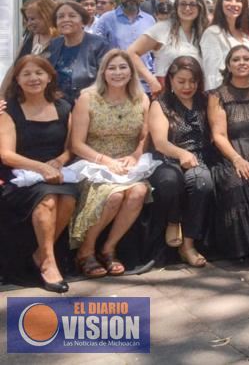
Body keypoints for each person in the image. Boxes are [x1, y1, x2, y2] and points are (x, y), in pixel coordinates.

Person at [68, 50, 152, 278]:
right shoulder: (88, 98)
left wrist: (135, 155)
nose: (117, 73)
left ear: (131, 72)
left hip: (128, 164)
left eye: (122, 68)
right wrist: (105, 161)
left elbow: (145, 136)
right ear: (103, 72)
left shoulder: (141, 98)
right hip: (95, 162)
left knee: (139, 192)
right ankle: (85, 251)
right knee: (113, 196)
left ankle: (108, 249)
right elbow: (76, 144)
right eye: (112, 68)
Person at [0, 56, 78, 293]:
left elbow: (70, 147)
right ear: (17, 80)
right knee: (47, 200)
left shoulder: (64, 107)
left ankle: (39, 254)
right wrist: (41, 168)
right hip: (21, 176)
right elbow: (6, 155)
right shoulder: (8, 109)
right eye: (26, 74)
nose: (33, 78)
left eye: (39, 73)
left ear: (49, 76)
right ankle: (48, 263)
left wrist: (59, 161)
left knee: (68, 198)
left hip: (56, 172)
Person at [208, 45, 249, 260]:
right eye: (236, 59)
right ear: (228, 65)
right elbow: (218, 135)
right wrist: (236, 159)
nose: (242, 62)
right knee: (237, 180)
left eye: (246, 58)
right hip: (230, 155)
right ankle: (241, 249)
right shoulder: (218, 95)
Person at [148, 56, 214, 268]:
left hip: (200, 157)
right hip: (169, 157)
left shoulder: (204, 101)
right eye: (181, 81)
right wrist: (181, 154)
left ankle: (188, 245)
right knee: (170, 181)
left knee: (202, 182)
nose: (187, 86)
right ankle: (173, 220)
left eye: (192, 81)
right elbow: (159, 142)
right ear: (171, 80)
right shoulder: (161, 104)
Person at [128, 0, 206, 95]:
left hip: (197, 96)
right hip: (166, 96)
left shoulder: (204, 33)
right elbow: (131, 53)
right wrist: (151, 80)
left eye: (192, 4)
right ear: (176, 6)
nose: (187, 8)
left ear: (200, 7)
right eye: (183, 4)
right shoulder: (162, 28)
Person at [47, 1, 111, 102]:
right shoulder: (54, 44)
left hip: (90, 101)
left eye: (72, 16)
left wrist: (85, 96)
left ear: (83, 21)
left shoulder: (99, 44)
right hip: (57, 103)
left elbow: (106, 77)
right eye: (60, 17)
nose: (66, 20)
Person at [93, 0, 156, 76]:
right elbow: (95, 48)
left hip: (144, 80)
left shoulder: (149, 20)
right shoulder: (107, 19)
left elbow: (154, 51)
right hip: (116, 78)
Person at [200, 0, 249, 91]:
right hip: (224, 98)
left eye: (238, 0)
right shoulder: (213, 33)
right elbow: (212, 75)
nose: (234, 4)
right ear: (220, 3)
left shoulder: (245, 35)